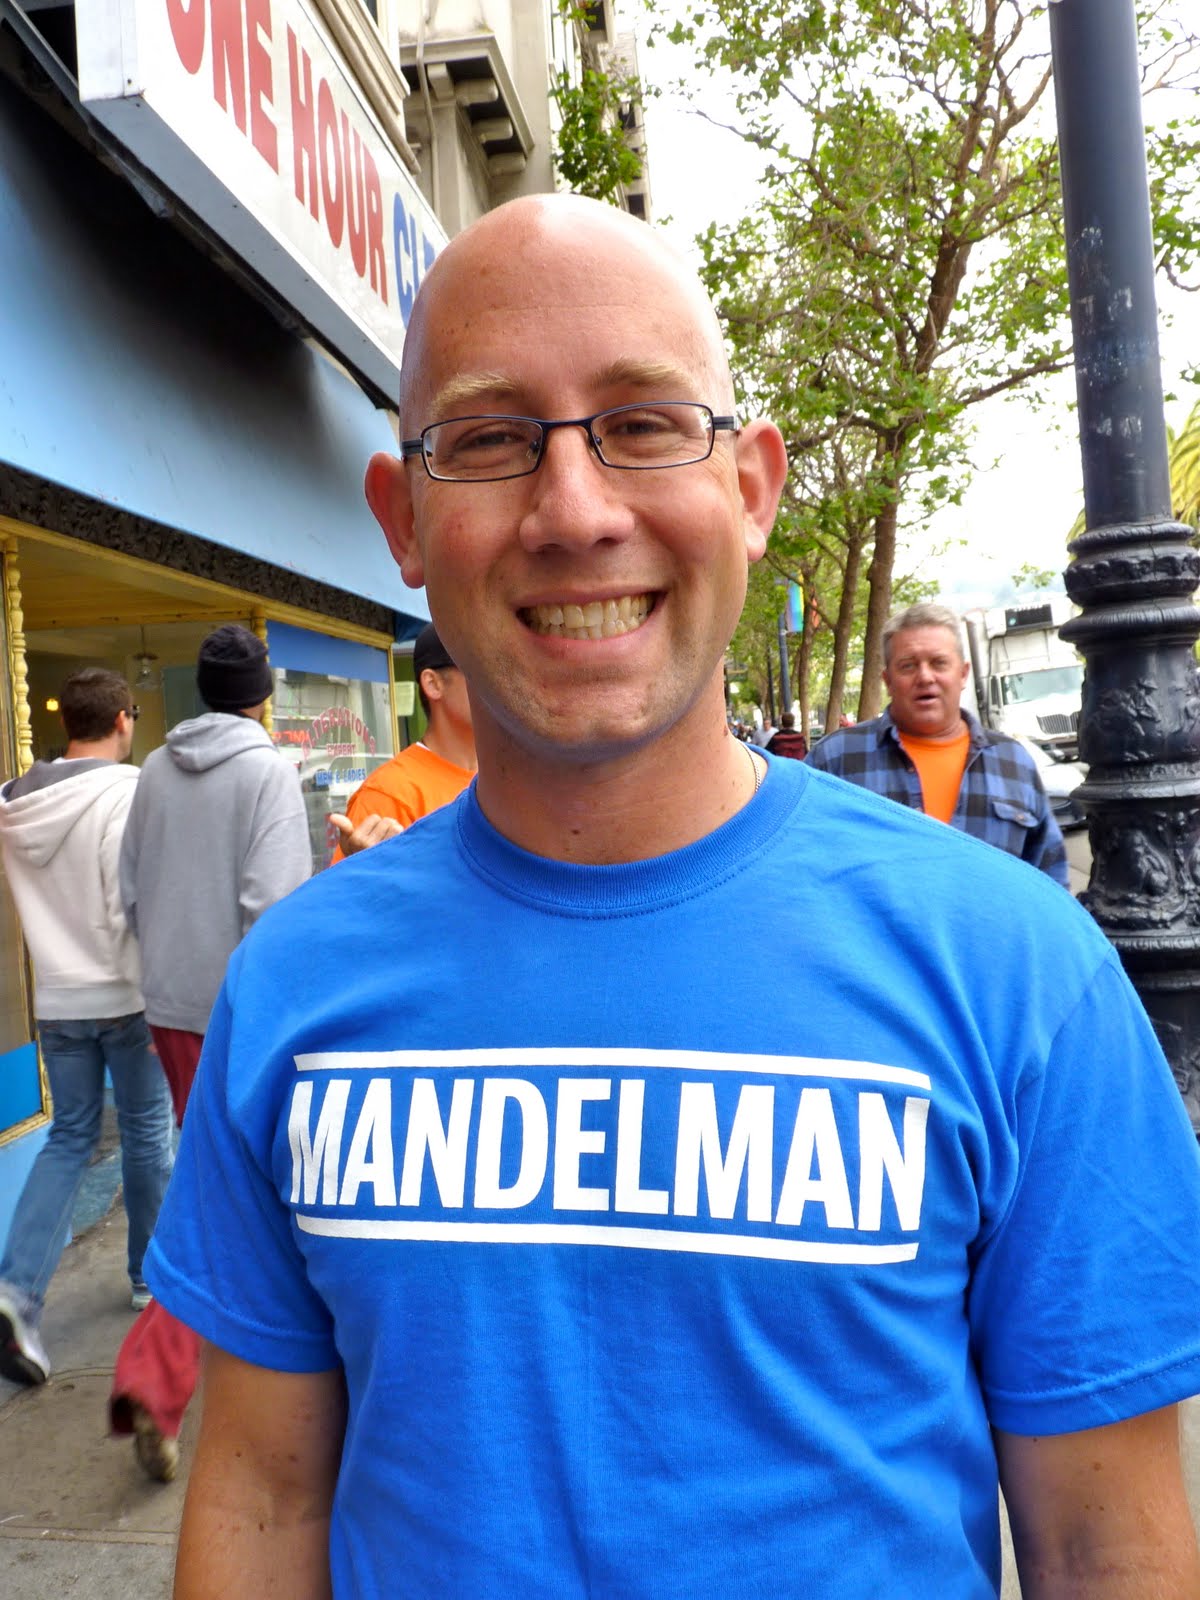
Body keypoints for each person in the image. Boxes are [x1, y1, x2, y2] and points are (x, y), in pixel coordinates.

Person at [146, 197, 1200, 1598]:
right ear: (403, 522)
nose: (575, 511)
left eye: (645, 424)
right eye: (486, 439)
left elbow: (1105, 1543)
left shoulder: (1018, 973)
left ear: (753, 489)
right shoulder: (295, 982)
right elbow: (265, 1498)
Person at [110, 623, 310, 1482]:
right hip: (239, 1009)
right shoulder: (268, 769)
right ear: (262, 693)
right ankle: (156, 1377)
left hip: (168, 1004)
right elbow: (273, 906)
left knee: (219, 1177)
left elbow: (124, 887)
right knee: (226, 1193)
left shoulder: (153, 767)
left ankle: (178, 1365)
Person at [0, 670, 173, 1386]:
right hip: (124, 990)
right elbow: (129, 897)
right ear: (124, 721)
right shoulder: (127, 791)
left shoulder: (14, 803)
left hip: (58, 997)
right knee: (147, 1130)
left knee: (69, 1137)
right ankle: (148, 1279)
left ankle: (16, 1292)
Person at [807, 601, 1069, 885]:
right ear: (887, 680)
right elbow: (804, 867)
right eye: (908, 666)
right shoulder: (833, 761)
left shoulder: (1013, 762)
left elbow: (1050, 876)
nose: (925, 676)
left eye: (939, 663)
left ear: (963, 673)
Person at [329, 621, 475, 859]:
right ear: (433, 684)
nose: (495, 681)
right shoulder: (389, 795)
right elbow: (350, 893)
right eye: (475, 668)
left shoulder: (508, 780)